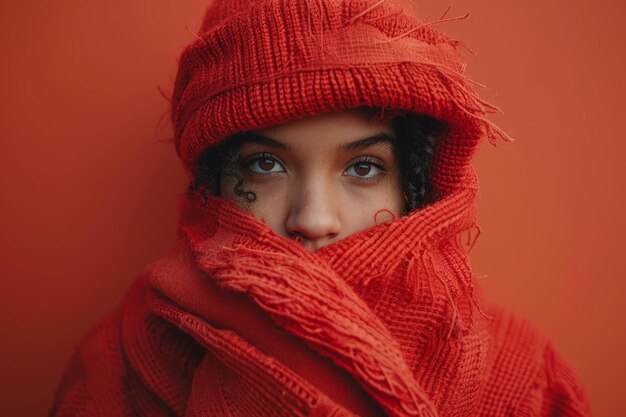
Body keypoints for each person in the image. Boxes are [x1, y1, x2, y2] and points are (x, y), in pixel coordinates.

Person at [50, 0, 592, 416]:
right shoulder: (117, 369)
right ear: (215, 179)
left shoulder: (524, 375)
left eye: (363, 168)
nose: (313, 218)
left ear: (414, 186)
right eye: (265, 164)